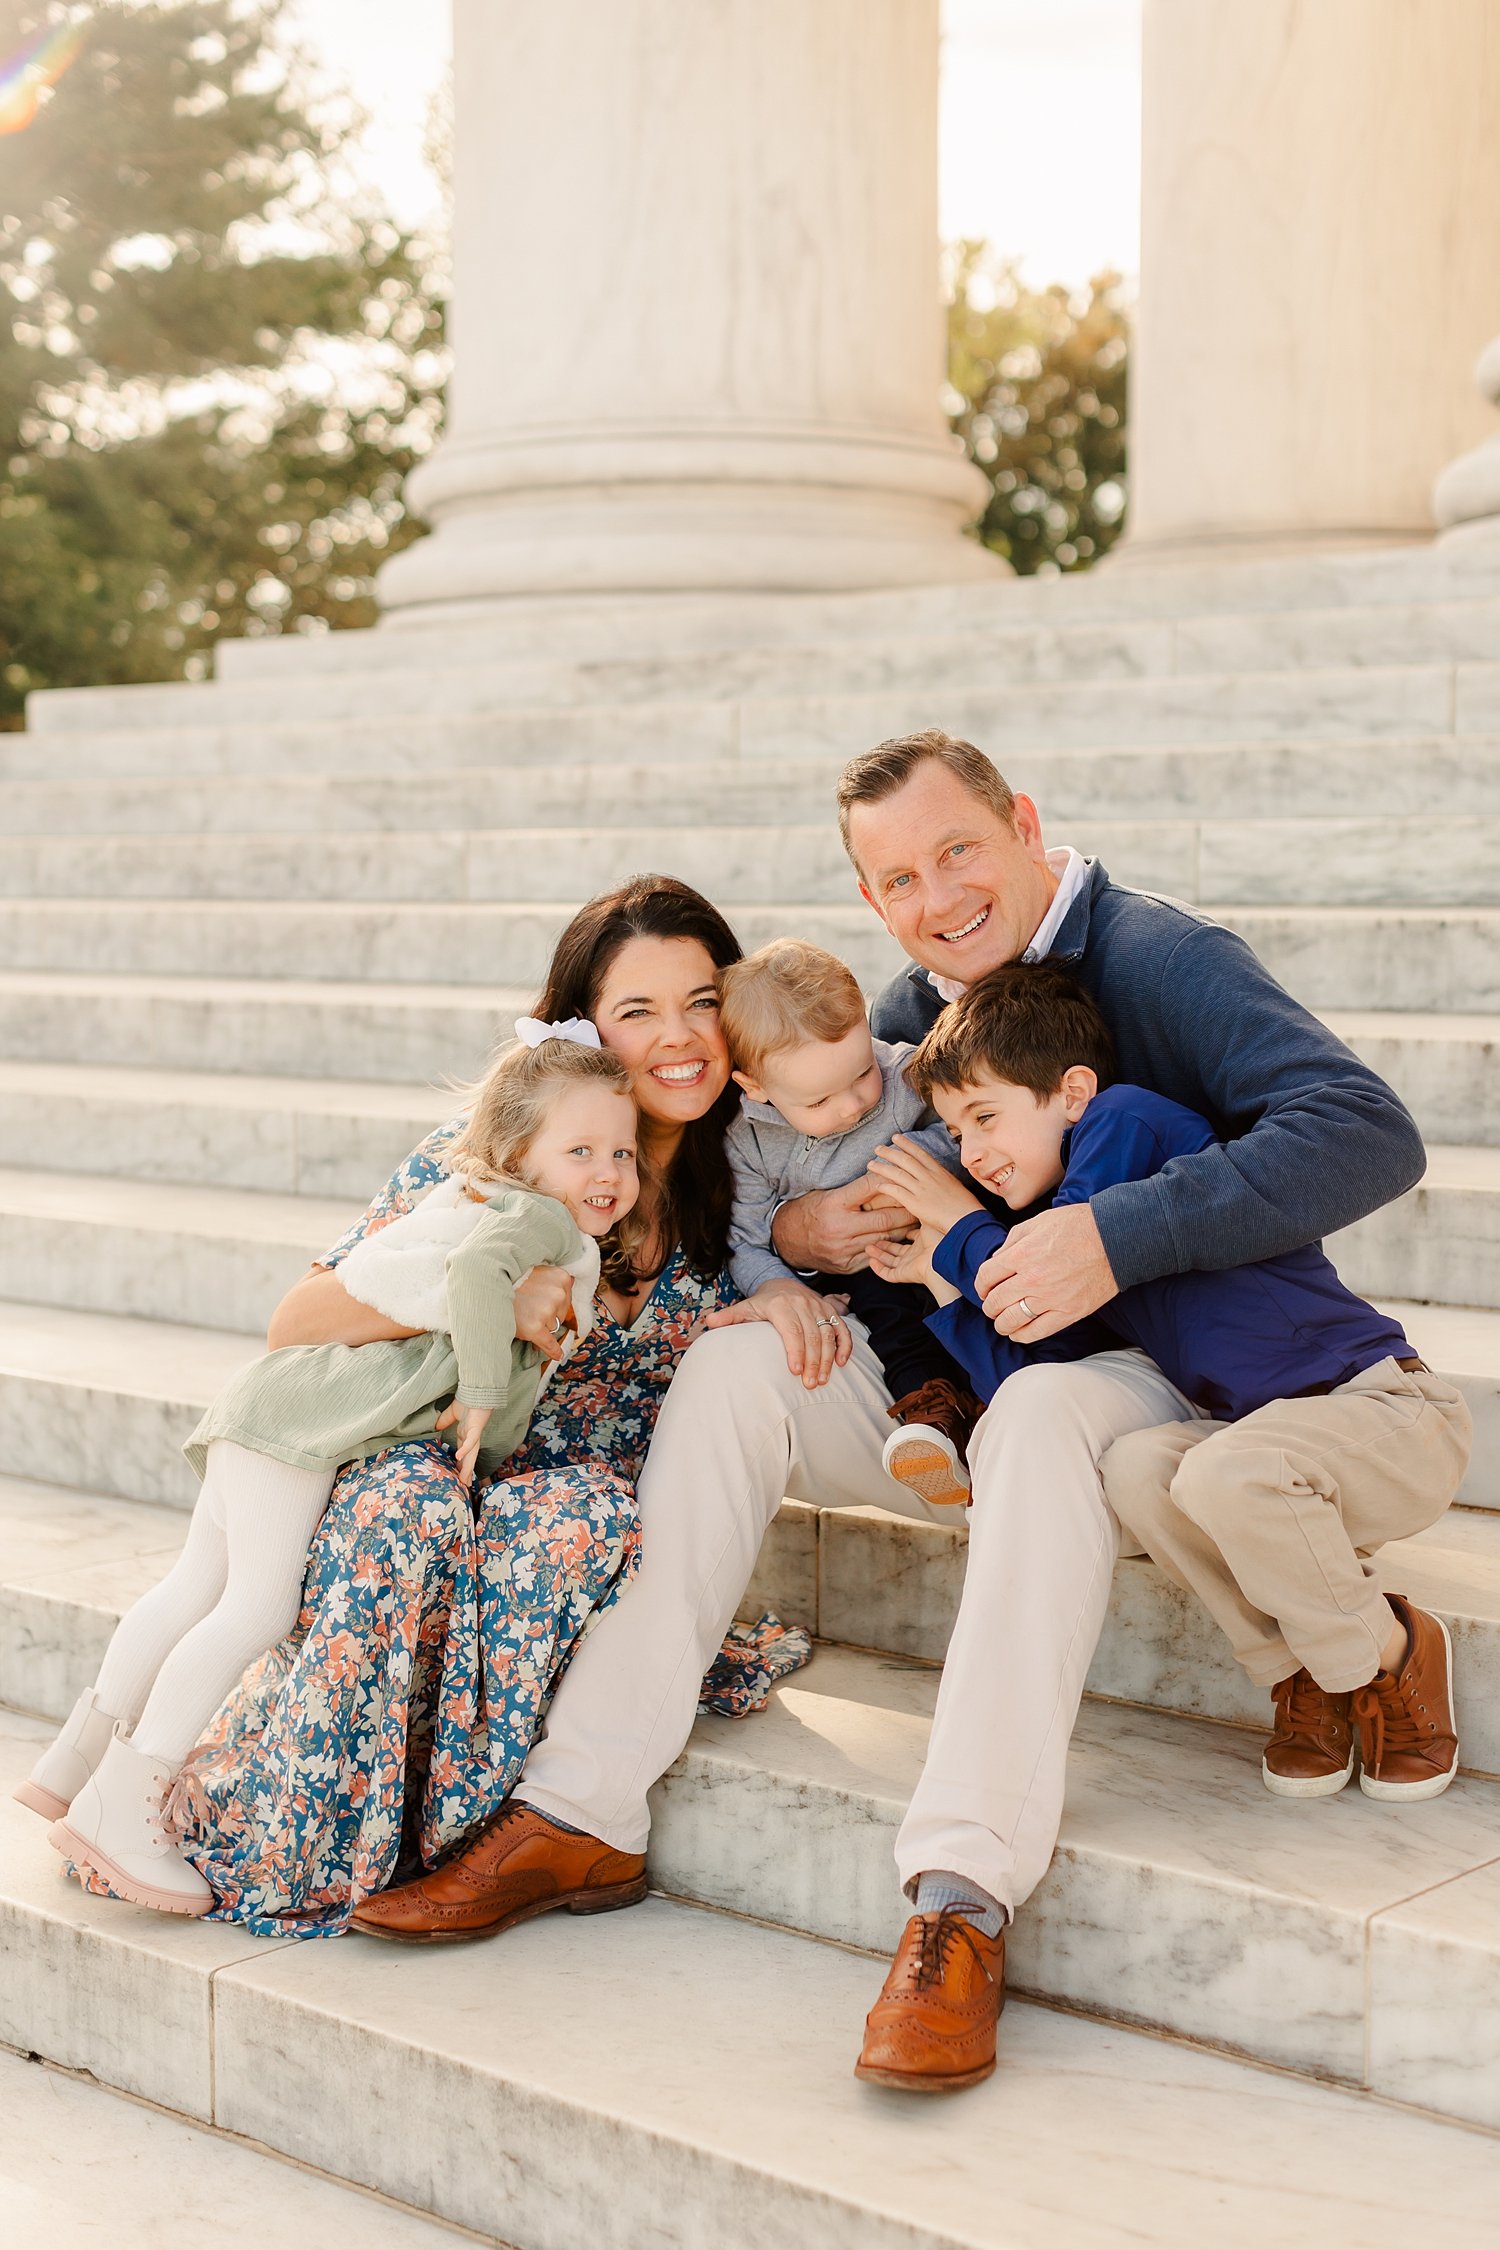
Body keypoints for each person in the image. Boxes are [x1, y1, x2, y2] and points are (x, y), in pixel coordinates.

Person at [350, 727, 1425, 2105]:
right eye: (899, 877)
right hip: (947, 1366)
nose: (937, 896)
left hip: (1142, 1361)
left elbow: (1368, 1129)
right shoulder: (910, 1002)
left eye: (959, 850)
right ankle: (581, 1808)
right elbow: (820, 1165)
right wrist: (798, 1233)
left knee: (1039, 1413)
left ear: (1027, 824)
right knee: (739, 1369)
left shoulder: (1161, 956)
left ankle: (960, 1894)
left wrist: (1113, 1238)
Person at [65, 878, 825, 1940]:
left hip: (563, 1499)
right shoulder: (498, 1153)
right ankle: (274, 1829)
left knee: (580, 1525)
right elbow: (299, 1318)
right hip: (428, 1449)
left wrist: (792, 1276)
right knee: (403, 1516)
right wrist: (486, 1297)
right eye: (636, 1012)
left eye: (700, 1002)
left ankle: (466, 1834)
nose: (679, 1038)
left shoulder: (748, 1179)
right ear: (584, 1029)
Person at [23, 1031, 642, 1917]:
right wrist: (478, 1394)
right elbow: (475, 1281)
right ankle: (124, 1808)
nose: (607, 1171)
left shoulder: (480, 1199)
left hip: (276, 1404)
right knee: (255, 1609)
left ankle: (72, 1763)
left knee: (192, 1586)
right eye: (579, 1151)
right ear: (518, 1157)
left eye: (620, 1150)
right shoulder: (534, 1222)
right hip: (303, 1425)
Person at [866, 962, 1471, 1822]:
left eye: (985, 1118)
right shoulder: (1084, 1235)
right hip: (1272, 1448)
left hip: (1384, 1414)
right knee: (1137, 1467)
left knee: (1227, 1473)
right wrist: (940, 1282)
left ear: (1073, 1092)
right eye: (956, 1135)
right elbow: (1036, 1355)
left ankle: (1388, 1654)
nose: (972, 1156)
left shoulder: (1125, 1124)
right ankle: (1299, 1668)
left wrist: (957, 1229)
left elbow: (1034, 1263)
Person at [718, 936, 982, 1507]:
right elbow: (743, 1236)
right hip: (863, 1274)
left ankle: (993, 1401)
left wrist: (909, 1170)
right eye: (817, 1102)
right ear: (755, 1087)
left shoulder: (908, 1074)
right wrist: (778, 1285)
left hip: (933, 1236)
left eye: (862, 1073)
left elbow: (967, 1131)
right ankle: (934, 1422)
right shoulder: (748, 1138)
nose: (852, 1106)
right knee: (894, 1322)